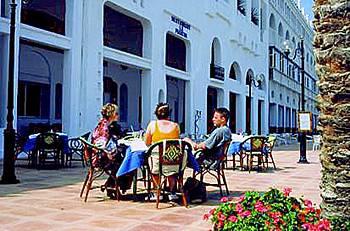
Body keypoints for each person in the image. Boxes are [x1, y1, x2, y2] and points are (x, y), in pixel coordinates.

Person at [144, 103, 181, 201]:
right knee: (171, 171)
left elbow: (147, 143)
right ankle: (172, 192)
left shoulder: (152, 125)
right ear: (169, 114)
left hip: (158, 162)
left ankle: (157, 192)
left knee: (152, 165)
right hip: (173, 162)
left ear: (156, 114)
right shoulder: (176, 126)